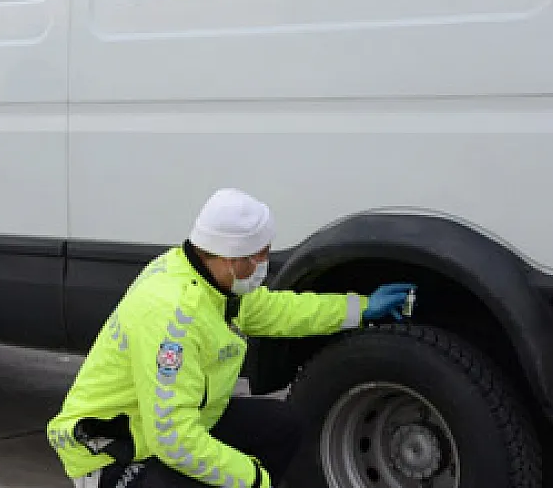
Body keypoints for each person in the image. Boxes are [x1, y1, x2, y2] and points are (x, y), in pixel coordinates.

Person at [47, 188, 415, 488]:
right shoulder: (173, 314)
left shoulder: (214, 282)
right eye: (259, 256)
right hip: (113, 449)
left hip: (168, 425)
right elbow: (173, 439)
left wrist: (361, 308)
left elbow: (278, 311)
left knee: (282, 425)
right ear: (228, 257)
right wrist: (251, 478)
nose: (264, 265)